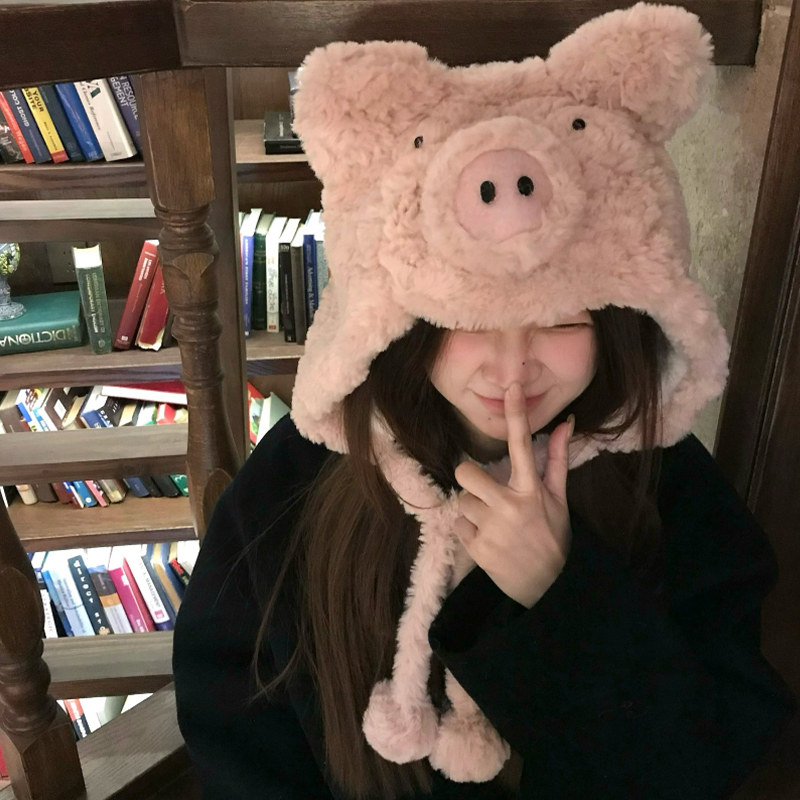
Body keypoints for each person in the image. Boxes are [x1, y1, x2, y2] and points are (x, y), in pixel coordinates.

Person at [172, 4, 798, 799]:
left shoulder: (668, 484)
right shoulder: (297, 483)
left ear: (620, 318)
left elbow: (705, 759)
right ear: (399, 321)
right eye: (466, 321)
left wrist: (561, 591)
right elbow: (235, 730)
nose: (512, 366)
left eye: (562, 319)